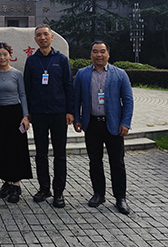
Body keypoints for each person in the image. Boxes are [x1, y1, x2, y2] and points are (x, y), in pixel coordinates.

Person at [73, 40, 134, 215]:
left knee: (117, 162)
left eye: (102, 51)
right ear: (90, 54)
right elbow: (76, 99)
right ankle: (98, 194)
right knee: (95, 161)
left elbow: (128, 100)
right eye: (95, 51)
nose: (99, 55)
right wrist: (77, 119)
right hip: (91, 123)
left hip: (113, 124)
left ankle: (120, 197)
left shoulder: (120, 74)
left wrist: (125, 123)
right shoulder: (82, 74)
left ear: (108, 54)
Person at [24, 24, 73, 208]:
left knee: (60, 154)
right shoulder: (31, 61)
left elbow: (69, 85)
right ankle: (44, 188)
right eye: (39, 35)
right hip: (38, 114)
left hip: (58, 113)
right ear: (35, 39)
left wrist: (70, 111)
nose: (42, 38)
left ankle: (59, 191)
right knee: (41, 153)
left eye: (45, 34)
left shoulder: (61, 59)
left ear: (52, 37)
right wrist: (28, 113)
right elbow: (27, 88)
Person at [0, 42, 32, 203]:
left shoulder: (17, 74)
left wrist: (26, 116)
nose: (2, 57)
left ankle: (16, 184)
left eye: (5, 54)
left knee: (16, 148)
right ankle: (7, 181)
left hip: (15, 113)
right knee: (3, 148)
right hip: (0, 113)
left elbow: (23, 95)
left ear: (10, 55)